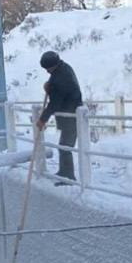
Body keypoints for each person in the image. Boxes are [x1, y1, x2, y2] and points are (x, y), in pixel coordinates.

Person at [36, 50, 83, 184]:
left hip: (71, 114)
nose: (47, 71)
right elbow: (56, 87)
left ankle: (68, 176)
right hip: (69, 113)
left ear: (53, 65)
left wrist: (42, 119)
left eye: (48, 68)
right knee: (63, 145)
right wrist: (49, 87)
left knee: (65, 146)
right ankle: (64, 172)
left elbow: (55, 103)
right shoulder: (63, 68)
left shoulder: (60, 77)